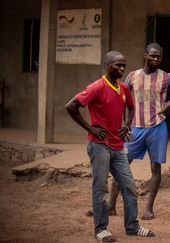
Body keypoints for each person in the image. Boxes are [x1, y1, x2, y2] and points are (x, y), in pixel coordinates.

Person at [65, 51, 155, 242]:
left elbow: (132, 107)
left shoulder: (123, 88)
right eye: (118, 65)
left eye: (124, 65)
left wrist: (127, 125)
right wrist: (90, 128)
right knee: (101, 188)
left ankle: (132, 226)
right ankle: (101, 229)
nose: (122, 69)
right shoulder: (97, 87)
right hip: (99, 146)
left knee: (129, 186)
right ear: (107, 66)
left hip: (118, 146)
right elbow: (71, 106)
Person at [106, 43, 170, 220]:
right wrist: (125, 123)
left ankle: (149, 208)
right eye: (153, 56)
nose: (156, 59)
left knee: (155, 167)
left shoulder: (167, 78)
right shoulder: (132, 76)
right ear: (145, 55)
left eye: (159, 57)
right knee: (121, 165)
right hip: (135, 129)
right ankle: (111, 205)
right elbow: (123, 99)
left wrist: (168, 104)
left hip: (157, 127)